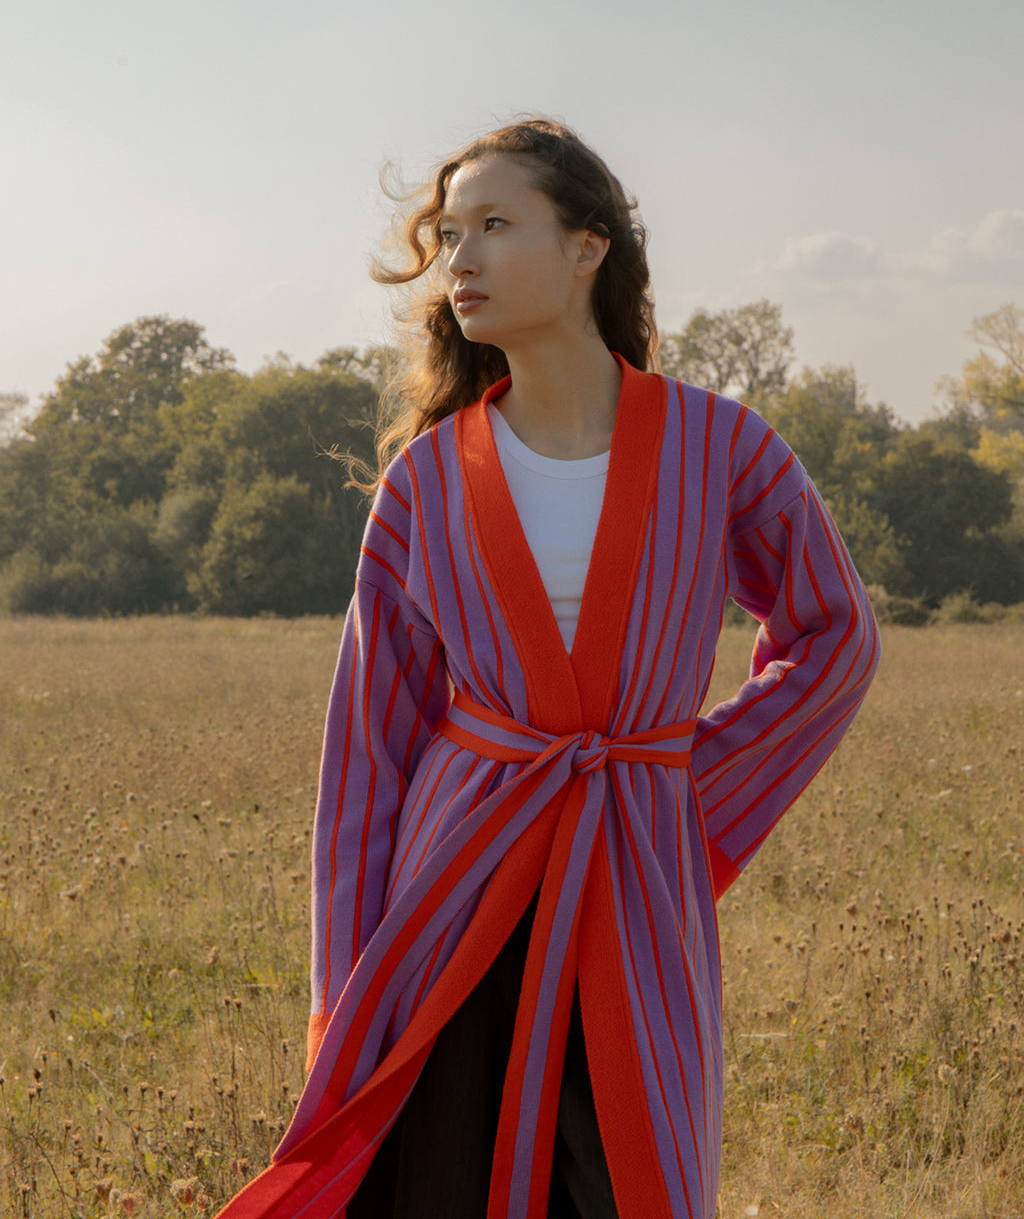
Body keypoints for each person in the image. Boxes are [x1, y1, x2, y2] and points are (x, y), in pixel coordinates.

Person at [217, 118, 879, 1219]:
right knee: (433, 1176)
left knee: (627, 1175)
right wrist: (343, 991)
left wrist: (677, 793)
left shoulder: (724, 450)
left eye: (492, 225)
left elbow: (834, 638)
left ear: (587, 247)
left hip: (630, 878)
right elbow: (368, 760)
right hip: (454, 885)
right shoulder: (424, 485)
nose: (458, 259)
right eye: (446, 235)